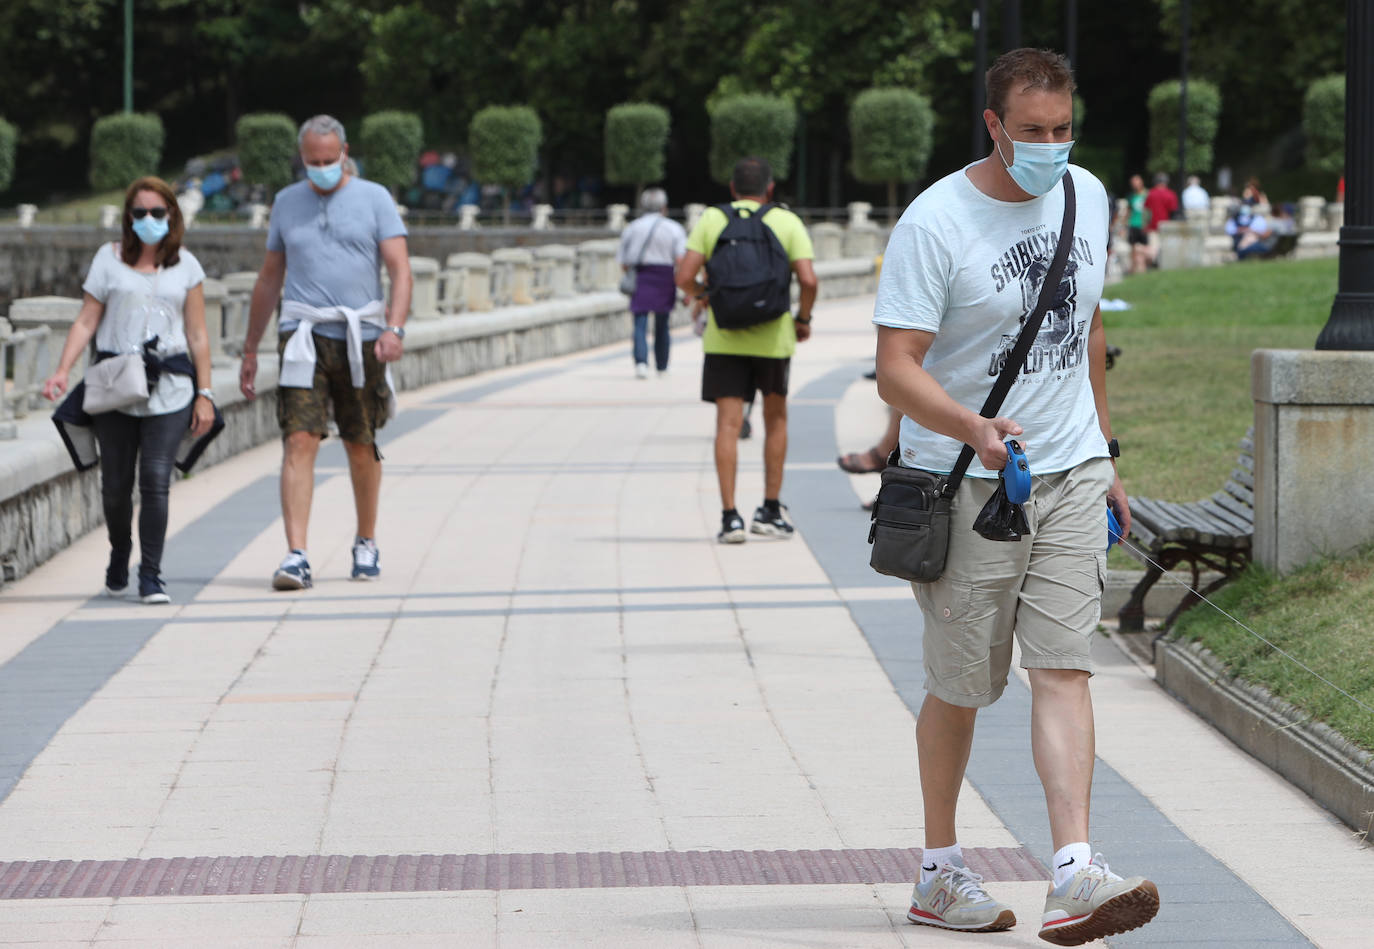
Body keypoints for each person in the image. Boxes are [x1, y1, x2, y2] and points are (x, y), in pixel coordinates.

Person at [873, 48, 1159, 943]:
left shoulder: (1089, 195)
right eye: (1031, 132)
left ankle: (1074, 869)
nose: (1050, 147)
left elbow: (1088, 322)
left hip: (1066, 470)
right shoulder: (936, 222)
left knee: (1066, 666)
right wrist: (972, 426)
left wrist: (1104, 451)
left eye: (1063, 129)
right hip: (967, 482)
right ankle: (939, 870)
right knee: (962, 685)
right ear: (993, 126)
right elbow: (893, 370)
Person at [239, 115, 413, 590]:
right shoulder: (286, 203)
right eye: (312, 162)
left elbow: (400, 269)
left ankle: (366, 539)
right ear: (302, 158)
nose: (321, 170)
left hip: (362, 335)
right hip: (302, 334)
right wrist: (251, 346)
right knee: (299, 438)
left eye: (328, 160)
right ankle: (296, 554)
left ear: (344, 152)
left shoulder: (375, 198)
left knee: (361, 442)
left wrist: (394, 328)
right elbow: (270, 276)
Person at [41, 177, 217, 604]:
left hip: (170, 388)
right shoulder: (109, 259)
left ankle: (152, 574)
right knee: (116, 486)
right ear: (128, 217)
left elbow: (197, 334)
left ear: (172, 216)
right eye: (140, 213)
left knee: (156, 480)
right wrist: (62, 370)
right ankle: (120, 551)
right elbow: (86, 320)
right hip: (115, 385)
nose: (149, 220)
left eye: (158, 213)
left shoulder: (187, 267)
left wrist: (205, 393)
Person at [676, 157, 818, 544]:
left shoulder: (711, 219)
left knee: (727, 425)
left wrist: (707, 297)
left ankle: (729, 517)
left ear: (732, 188)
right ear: (770, 188)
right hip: (773, 339)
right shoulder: (786, 221)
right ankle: (769, 511)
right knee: (776, 420)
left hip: (724, 338)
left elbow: (684, 276)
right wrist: (802, 318)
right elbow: (808, 279)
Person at [616, 188, 687, 378]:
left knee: (639, 322)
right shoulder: (674, 228)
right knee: (663, 323)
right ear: (664, 207)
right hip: (665, 276)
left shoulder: (632, 228)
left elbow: (623, 261)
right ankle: (662, 365)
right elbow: (680, 260)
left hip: (641, 275)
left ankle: (641, 363)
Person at [1125, 174, 1150, 274]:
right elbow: (1129, 210)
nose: (1135, 185)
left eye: (1136, 183)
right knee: (1133, 248)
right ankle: (1134, 268)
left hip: (1143, 224)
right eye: (1133, 183)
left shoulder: (1147, 194)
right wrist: (1125, 223)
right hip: (1133, 224)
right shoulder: (1131, 196)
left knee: (1145, 248)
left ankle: (1144, 267)